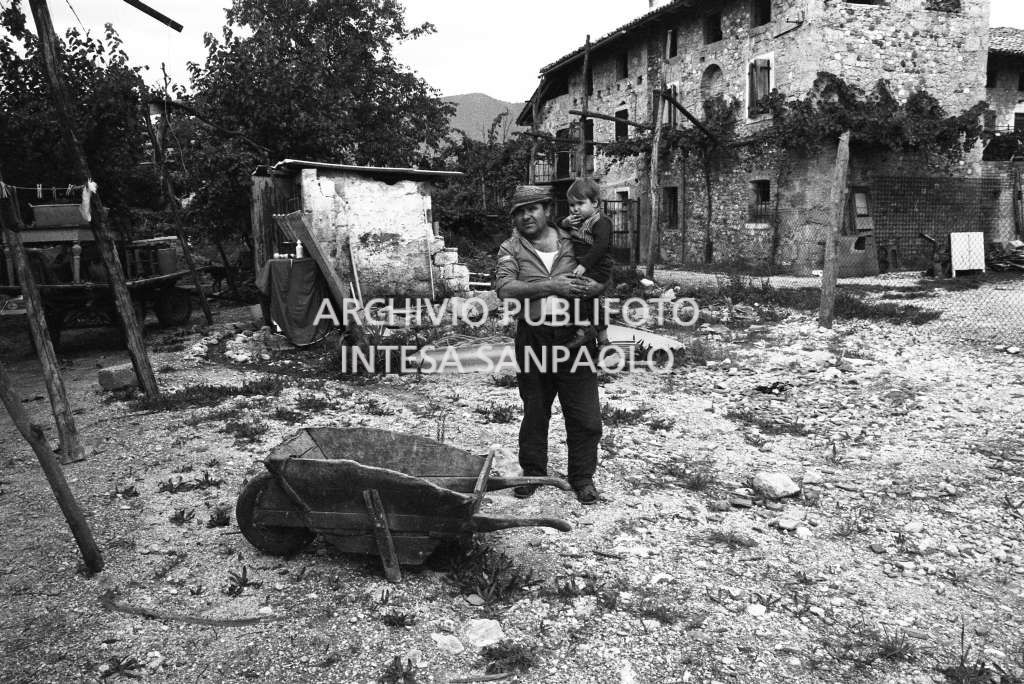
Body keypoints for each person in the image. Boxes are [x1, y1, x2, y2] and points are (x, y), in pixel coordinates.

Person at [495, 185, 605, 505]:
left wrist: (595, 327)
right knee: (535, 409)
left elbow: (600, 277)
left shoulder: (575, 241)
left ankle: (582, 478)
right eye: (519, 211)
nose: (526, 216)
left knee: (585, 415)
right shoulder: (510, 248)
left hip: (575, 337)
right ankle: (532, 473)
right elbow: (504, 288)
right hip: (534, 337)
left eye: (532, 209)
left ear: (546, 209)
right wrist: (550, 286)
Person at [560, 177, 614, 350]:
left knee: (576, 294)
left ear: (595, 203)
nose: (575, 209)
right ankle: (604, 341)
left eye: (580, 204)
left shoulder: (601, 221)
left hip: (597, 266)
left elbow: (601, 246)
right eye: (572, 205)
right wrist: (564, 222)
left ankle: (584, 329)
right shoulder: (578, 221)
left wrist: (584, 265)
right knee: (591, 301)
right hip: (588, 266)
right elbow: (554, 226)